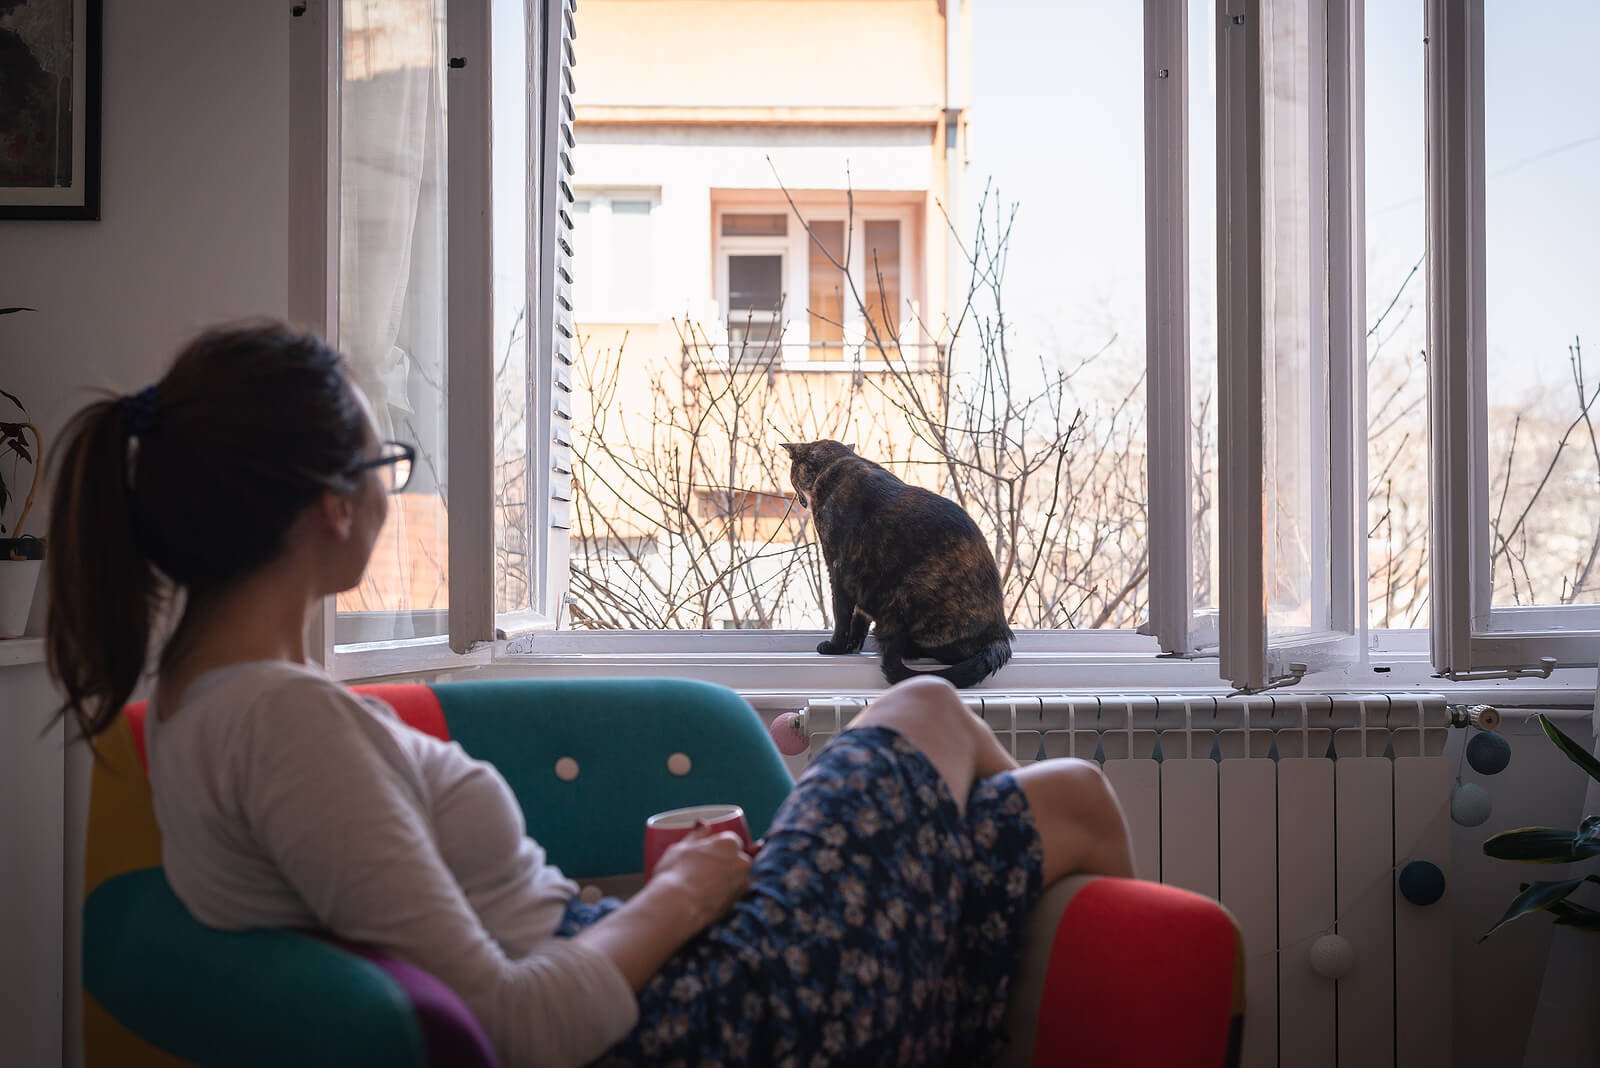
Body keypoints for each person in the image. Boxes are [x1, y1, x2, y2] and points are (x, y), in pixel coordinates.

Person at [47, 321, 1136, 1068]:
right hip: (691, 1022)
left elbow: (450, 921)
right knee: (933, 712)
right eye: (386, 465)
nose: (391, 490)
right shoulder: (279, 723)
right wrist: (686, 895)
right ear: (334, 503)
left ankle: (927, 980)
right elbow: (518, 1024)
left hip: (659, 980)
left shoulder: (199, 706)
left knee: (1063, 798)